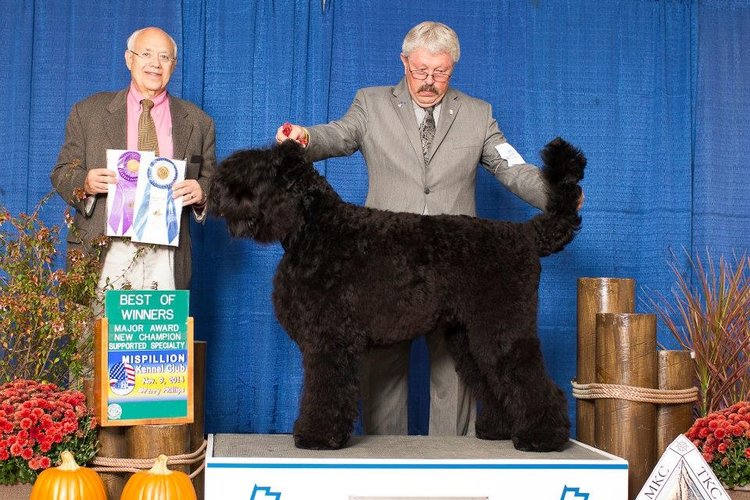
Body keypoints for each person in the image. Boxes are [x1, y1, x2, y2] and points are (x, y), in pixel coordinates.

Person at [277, 21, 574, 437]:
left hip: (459, 259)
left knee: (457, 373)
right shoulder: (370, 103)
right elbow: (338, 136)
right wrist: (305, 137)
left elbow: (512, 168)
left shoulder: (478, 113)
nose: (430, 82)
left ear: (453, 67)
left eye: (441, 72)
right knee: (382, 378)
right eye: (420, 71)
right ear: (404, 62)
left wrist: (555, 196)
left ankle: (453, 465)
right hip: (384, 262)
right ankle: (387, 465)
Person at [51, 26, 216, 293]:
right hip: (105, 247)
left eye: (164, 57)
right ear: (129, 59)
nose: (155, 64)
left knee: (160, 335)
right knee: (95, 333)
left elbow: (210, 180)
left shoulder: (199, 122)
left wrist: (202, 192)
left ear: (174, 65)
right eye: (146, 54)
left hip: (167, 254)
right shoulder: (87, 112)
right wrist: (85, 182)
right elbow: (61, 172)